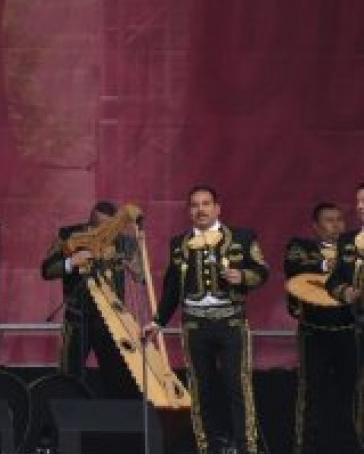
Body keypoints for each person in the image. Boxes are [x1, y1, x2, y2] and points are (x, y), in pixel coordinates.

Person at [143, 185, 269, 454]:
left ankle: (246, 447)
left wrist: (242, 276)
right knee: (201, 389)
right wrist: (157, 322)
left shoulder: (242, 237)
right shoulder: (179, 243)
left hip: (231, 322)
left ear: (217, 208)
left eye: (206, 204)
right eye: (195, 205)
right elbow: (172, 289)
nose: (200, 209)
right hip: (195, 325)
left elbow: (262, 271)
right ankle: (207, 447)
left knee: (237, 387)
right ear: (189, 211)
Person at [41, 200, 139, 397]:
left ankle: (115, 413)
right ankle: (69, 412)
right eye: (96, 226)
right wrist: (71, 262)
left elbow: (142, 276)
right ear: (90, 220)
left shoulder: (126, 242)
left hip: (112, 321)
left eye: (108, 227)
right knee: (70, 376)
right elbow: (47, 270)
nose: (101, 231)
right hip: (77, 317)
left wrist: (133, 266)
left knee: (116, 376)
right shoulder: (68, 236)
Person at [285, 202, 358, 454]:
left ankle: (350, 445)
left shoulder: (355, 249)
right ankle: (305, 446)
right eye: (329, 220)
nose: (336, 225)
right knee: (311, 393)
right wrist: (331, 266)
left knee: (352, 392)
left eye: (339, 219)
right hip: (313, 332)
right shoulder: (301, 248)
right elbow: (295, 266)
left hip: (348, 331)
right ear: (316, 226)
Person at [324, 182, 364, 449]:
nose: (360, 207)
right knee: (359, 392)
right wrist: (345, 292)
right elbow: (333, 281)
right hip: (358, 326)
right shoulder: (348, 240)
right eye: (358, 202)